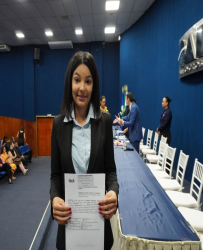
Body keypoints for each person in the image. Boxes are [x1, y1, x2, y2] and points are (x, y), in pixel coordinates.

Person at [51, 51, 119, 250]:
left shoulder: (104, 121)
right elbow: (55, 175)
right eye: (77, 80)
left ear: (94, 85)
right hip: (69, 223)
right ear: (69, 84)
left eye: (88, 81)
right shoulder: (58, 124)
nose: (82, 88)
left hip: (98, 224)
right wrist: (55, 198)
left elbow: (110, 171)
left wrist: (114, 192)